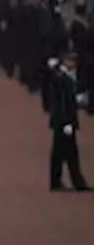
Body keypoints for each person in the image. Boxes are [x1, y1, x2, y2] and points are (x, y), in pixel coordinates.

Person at [46, 49, 89, 192]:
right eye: (71, 60)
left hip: (64, 121)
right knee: (65, 153)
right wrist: (66, 123)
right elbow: (60, 103)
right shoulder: (60, 78)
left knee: (65, 153)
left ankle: (66, 182)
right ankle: (71, 182)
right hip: (63, 121)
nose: (73, 63)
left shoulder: (64, 76)